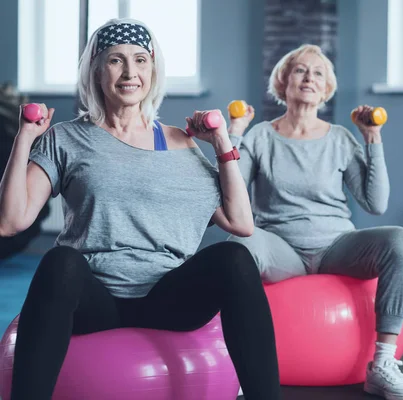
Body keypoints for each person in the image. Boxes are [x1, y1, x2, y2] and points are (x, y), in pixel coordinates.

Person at [0, 18, 281, 400]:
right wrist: (24, 140)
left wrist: (221, 143)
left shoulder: (181, 142)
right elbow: (11, 221)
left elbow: (240, 224)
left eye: (140, 60)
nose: (130, 72)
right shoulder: (65, 138)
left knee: (235, 257)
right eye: (116, 60)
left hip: (168, 297)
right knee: (60, 262)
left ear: (153, 68)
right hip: (95, 299)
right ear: (96, 70)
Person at [226, 44, 403, 400]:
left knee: (401, 240)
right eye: (300, 70)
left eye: (318, 73)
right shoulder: (261, 136)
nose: (308, 78)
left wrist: (372, 138)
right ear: (283, 82)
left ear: (327, 88)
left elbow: (376, 204)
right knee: (238, 247)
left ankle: (382, 364)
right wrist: (235, 132)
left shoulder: (341, 139)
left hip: (336, 246)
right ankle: (239, 363)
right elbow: (231, 193)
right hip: (281, 248)